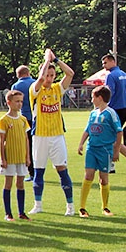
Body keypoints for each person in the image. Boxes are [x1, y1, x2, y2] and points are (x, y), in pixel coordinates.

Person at [28, 49, 76, 216]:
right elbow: (40, 79)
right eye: (47, 75)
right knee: (39, 170)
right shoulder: (35, 90)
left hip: (56, 136)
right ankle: (38, 204)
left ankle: (70, 206)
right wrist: (46, 61)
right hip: (40, 135)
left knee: (62, 169)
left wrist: (55, 59)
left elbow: (70, 73)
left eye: (52, 75)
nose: (49, 79)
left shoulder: (57, 89)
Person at [77, 86, 122, 218]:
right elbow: (87, 130)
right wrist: (81, 144)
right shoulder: (93, 113)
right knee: (88, 175)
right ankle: (82, 208)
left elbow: (119, 131)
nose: (91, 100)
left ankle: (105, 207)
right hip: (91, 148)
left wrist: (116, 150)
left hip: (105, 150)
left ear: (100, 98)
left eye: (93, 97)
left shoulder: (111, 113)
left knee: (103, 178)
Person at [102, 54, 126, 175]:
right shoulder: (124, 74)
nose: (103, 65)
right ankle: (112, 165)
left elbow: (109, 93)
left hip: (114, 109)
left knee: (110, 138)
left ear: (112, 61)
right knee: (112, 137)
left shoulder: (110, 76)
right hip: (125, 108)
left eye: (105, 63)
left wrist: (104, 108)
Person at [0, 90, 32, 221]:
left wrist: (27, 156)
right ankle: (8, 213)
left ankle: (21, 212)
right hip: (10, 157)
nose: (20, 104)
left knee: (20, 183)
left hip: (21, 157)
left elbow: (26, 139)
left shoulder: (23, 120)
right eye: (17, 101)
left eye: (21, 101)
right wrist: (3, 158)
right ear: (9, 102)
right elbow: (1, 140)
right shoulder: (4, 120)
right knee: (8, 183)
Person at [11, 65, 35, 178]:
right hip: (37, 117)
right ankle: (39, 171)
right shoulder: (35, 83)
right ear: (28, 73)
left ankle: (31, 172)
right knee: (37, 145)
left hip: (24, 118)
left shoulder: (16, 86)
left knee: (28, 145)